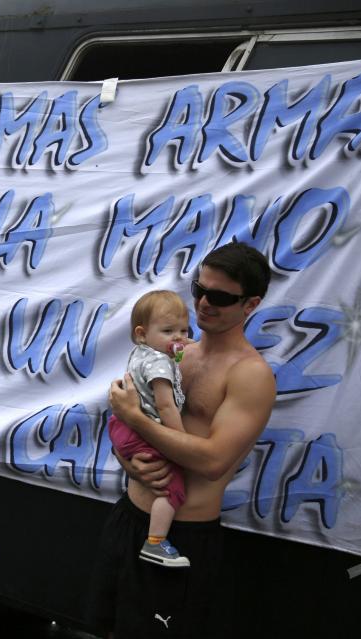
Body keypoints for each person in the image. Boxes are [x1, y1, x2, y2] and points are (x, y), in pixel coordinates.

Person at [91, 241, 276, 638]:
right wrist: (128, 460)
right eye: (199, 289)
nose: (205, 303)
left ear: (251, 304)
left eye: (221, 296)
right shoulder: (177, 354)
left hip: (181, 539)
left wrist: (135, 420)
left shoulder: (250, 375)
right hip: (128, 520)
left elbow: (213, 461)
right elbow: (130, 427)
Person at [108, 290, 191, 568]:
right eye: (169, 330)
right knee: (173, 488)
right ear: (142, 334)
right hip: (141, 432)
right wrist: (182, 442)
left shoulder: (141, 353)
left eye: (184, 330)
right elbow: (166, 407)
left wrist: (180, 343)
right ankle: (155, 543)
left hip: (121, 428)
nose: (179, 338)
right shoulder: (159, 362)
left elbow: (179, 352)